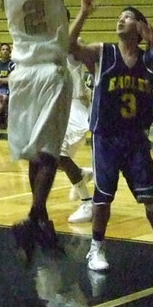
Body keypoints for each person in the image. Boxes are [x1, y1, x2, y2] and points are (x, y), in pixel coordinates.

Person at [68, 0, 153, 271]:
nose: (121, 19)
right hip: (105, 136)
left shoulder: (148, 61)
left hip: (135, 139)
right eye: (120, 16)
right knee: (103, 196)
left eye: (128, 16)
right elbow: (69, 46)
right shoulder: (102, 52)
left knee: (150, 198)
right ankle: (96, 248)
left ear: (141, 28)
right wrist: (83, 13)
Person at [2, 0, 74, 264]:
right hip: (49, 73)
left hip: (21, 75)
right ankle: (32, 219)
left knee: (34, 152)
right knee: (48, 151)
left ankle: (42, 223)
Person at [62, 56, 97, 224]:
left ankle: (87, 203)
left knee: (56, 154)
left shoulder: (69, 52)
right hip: (58, 108)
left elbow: (78, 42)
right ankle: (81, 174)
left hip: (73, 109)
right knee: (49, 159)